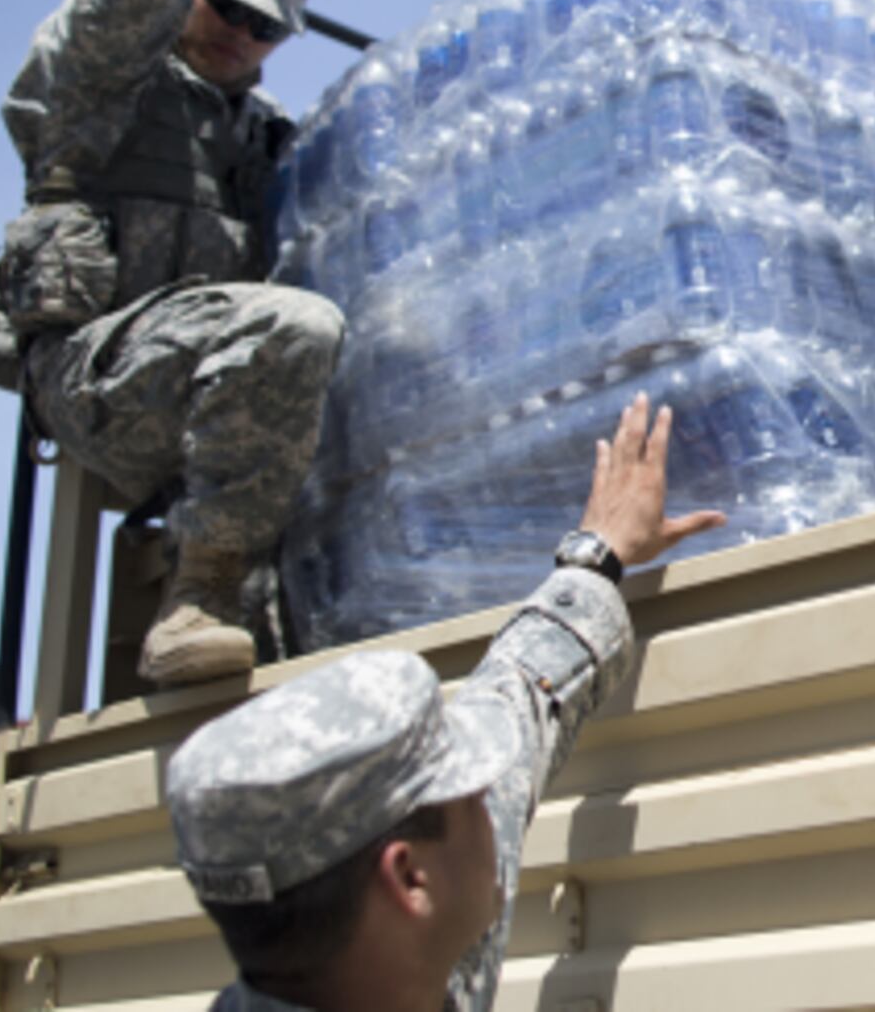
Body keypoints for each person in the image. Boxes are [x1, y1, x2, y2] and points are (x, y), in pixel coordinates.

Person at [0, 0, 361, 685]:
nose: (241, 34)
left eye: (265, 27)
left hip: (215, 414)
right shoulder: (103, 88)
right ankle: (198, 598)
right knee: (294, 324)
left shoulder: (269, 144)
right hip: (101, 378)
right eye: (227, 5)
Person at [168, 394, 725, 1012]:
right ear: (409, 880)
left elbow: (514, 704)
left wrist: (596, 558)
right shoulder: (411, 964)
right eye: (474, 794)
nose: (497, 800)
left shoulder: (385, 962)